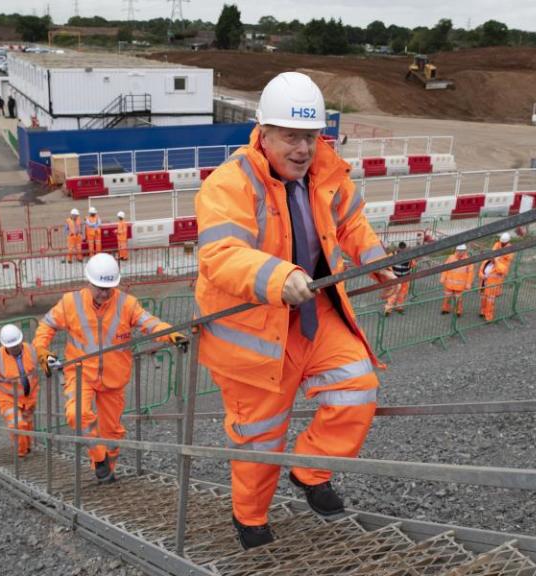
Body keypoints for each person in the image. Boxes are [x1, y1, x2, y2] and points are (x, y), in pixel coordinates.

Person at [194, 71, 397, 550]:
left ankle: (309, 470)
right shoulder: (229, 185)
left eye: (311, 136)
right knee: (260, 439)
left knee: (357, 387)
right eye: (291, 137)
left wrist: (380, 262)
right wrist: (278, 277)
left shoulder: (325, 171)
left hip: (313, 313)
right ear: (263, 134)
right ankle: (250, 519)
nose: (303, 149)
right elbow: (220, 253)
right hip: (255, 332)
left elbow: (352, 224)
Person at [33, 254, 187, 483]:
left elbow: (149, 323)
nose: (105, 293)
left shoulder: (127, 304)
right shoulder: (70, 303)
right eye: (100, 287)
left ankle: (107, 472)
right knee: (77, 414)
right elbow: (46, 326)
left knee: (112, 432)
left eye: (109, 288)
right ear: (89, 282)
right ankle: (99, 458)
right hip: (80, 372)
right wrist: (42, 351)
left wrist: (170, 334)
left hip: (114, 378)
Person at [0, 324, 41, 457]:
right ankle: (21, 454)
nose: (15, 348)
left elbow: (45, 358)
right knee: (18, 425)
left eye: (17, 345)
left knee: (27, 426)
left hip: (29, 397)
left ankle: (27, 449)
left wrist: (52, 363)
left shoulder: (31, 350)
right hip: (8, 399)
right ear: (5, 345)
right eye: (11, 346)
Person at [479, 233, 515, 322]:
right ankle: (483, 311)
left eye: (504, 243)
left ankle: (488, 316)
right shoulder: (496, 245)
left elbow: (503, 267)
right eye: (501, 243)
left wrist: (497, 259)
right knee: (484, 298)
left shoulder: (509, 251)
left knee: (490, 300)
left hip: (496, 278)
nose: (502, 244)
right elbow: (481, 270)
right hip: (486, 282)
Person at [440, 244, 473, 317]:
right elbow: (445, 268)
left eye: (462, 251)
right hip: (449, 283)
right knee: (447, 297)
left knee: (458, 299)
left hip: (459, 285)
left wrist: (468, 283)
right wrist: (443, 277)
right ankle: (445, 309)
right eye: (459, 251)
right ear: (456, 250)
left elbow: (470, 273)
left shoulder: (468, 260)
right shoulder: (451, 258)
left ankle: (458, 311)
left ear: (465, 251)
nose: (460, 253)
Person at [384, 241, 415, 316]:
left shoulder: (406, 255)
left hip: (404, 278)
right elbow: (413, 265)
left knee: (402, 293)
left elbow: (413, 264)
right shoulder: (395, 255)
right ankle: (388, 309)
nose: (402, 251)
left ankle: (398, 307)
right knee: (393, 293)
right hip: (396, 278)